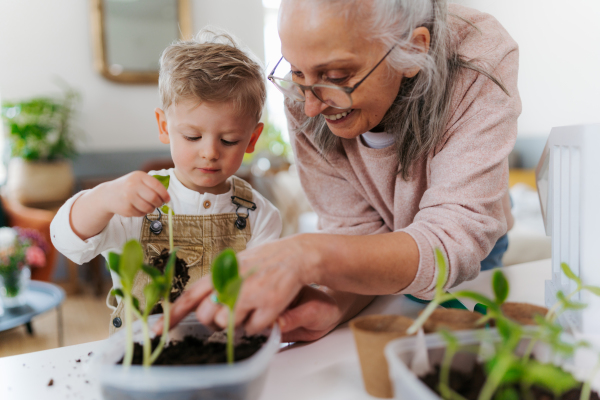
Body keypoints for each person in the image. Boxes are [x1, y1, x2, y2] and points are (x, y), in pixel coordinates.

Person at [163, 0, 520, 343]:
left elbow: (454, 238)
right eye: (297, 72)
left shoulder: (478, 58)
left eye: (334, 76)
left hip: (470, 250)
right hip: (379, 253)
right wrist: (334, 304)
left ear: (413, 49)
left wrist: (309, 255)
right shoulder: (304, 96)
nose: (311, 105)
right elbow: (356, 235)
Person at [50, 28, 282, 334]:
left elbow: (261, 295)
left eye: (229, 140)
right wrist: (103, 198)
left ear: (252, 139)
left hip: (221, 356)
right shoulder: (134, 201)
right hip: (140, 358)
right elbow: (67, 243)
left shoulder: (259, 215)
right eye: (192, 136)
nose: (210, 153)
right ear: (164, 126)